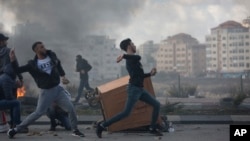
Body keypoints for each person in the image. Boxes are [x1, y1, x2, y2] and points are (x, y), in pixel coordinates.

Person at [7, 41, 85, 138]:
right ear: (36, 50)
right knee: (38, 113)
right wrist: (13, 60)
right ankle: (16, 129)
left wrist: (63, 76)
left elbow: (58, 63)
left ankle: (75, 130)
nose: (44, 48)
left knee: (71, 109)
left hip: (58, 90)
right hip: (46, 92)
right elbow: (18, 70)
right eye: (41, 47)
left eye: (43, 46)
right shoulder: (32, 65)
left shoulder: (51, 55)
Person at [96, 38, 163, 138]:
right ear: (128, 46)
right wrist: (123, 56)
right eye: (133, 44)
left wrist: (150, 74)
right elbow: (138, 57)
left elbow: (139, 75)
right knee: (126, 113)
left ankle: (152, 128)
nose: (135, 45)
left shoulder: (131, 59)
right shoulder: (131, 59)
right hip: (134, 90)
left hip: (140, 89)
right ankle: (102, 126)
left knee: (156, 105)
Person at [0, 33, 24, 130]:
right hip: (7, 78)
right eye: (5, 40)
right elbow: (15, 65)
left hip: (2, 78)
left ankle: (12, 123)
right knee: (13, 101)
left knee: (7, 100)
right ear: (1, 42)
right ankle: (16, 125)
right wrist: (20, 78)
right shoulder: (8, 51)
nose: (6, 42)